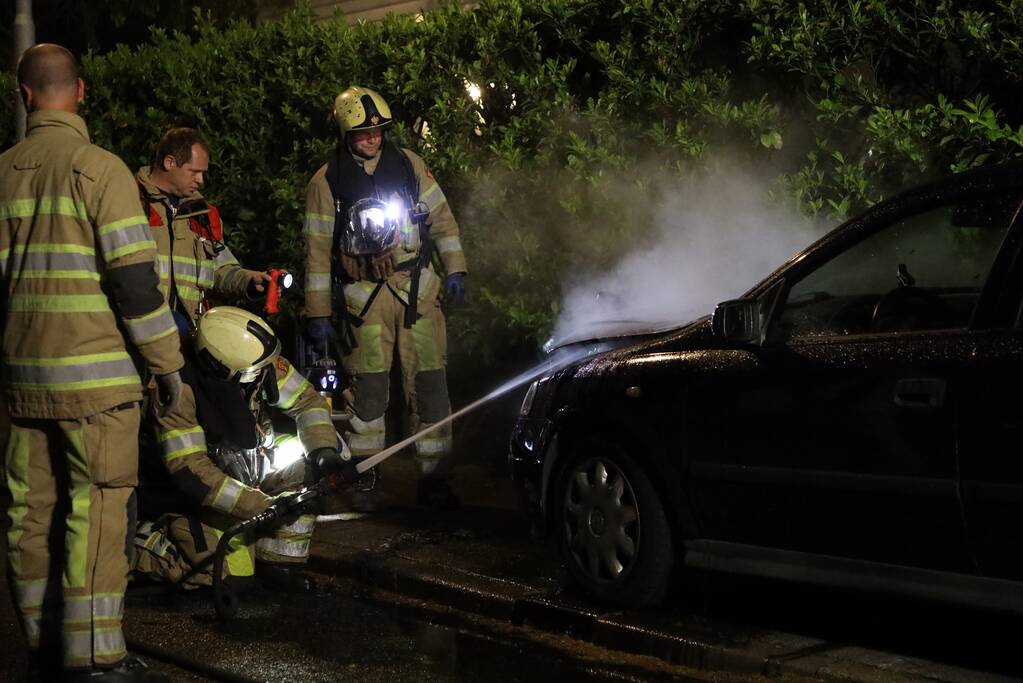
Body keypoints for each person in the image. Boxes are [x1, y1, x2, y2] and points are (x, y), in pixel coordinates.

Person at [0, 44, 181, 682]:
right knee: (98, 511)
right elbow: (136, 288)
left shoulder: (0, 174)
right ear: (80, 92)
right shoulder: (99, 170)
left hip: (21, 386)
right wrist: (168, 366)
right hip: (100, 388)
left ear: (25, 96)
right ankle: (97, 657)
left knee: (29, 515)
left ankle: (42, 647)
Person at [302, 85, 468, 511]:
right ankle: (365, 475)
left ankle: (435, 478)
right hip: (365, 301)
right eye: (363, 133)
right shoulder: (327, 182)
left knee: (431, 385)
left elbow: (443, 223)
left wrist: (455, 270)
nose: (373, 138)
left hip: (418, 292)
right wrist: (318, 313)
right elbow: (318, 253)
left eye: (378, 131)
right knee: (370, 392)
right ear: (345, 134)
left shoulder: (410, 166)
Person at [133, 307, 349, 591]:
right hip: (193, 496)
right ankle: (139, 542)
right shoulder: (177, 392)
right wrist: (261, 505)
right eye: (257, 371)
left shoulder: (257, 362)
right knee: (224, 576)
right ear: (224, 371)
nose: (268, 373)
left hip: (245, 469)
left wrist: (323, 452)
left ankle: (276, 563)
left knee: (317, 462)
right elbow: (191, 470)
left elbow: (307, 402)